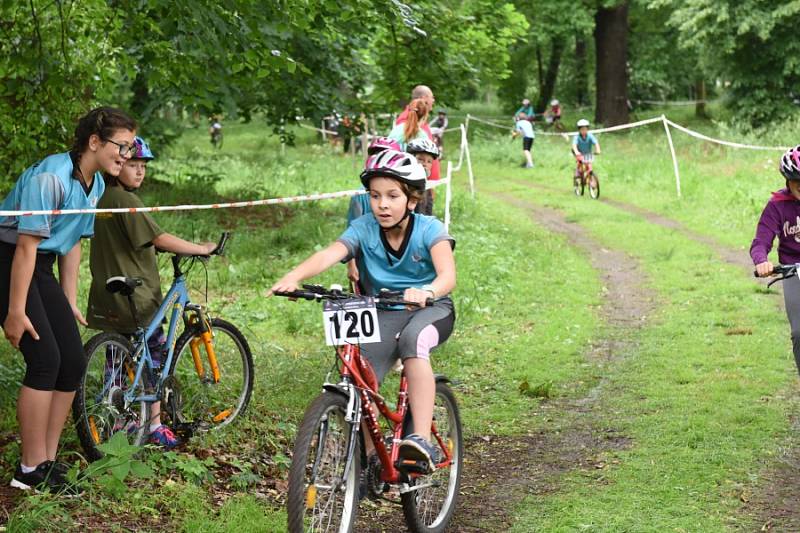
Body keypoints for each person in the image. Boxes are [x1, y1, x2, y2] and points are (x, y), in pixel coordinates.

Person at [269, 149, 456, 472]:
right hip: (383, 311)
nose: (382, 204)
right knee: (359, 372)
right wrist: (295, 276)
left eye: (392, 196)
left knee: (413, 342)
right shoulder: (363, 228)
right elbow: (331, 253)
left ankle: (421, 439)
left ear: (411, 200)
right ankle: (371, 459)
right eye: (375, 196)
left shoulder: (430, 229)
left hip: (431, 310)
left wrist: (427, 291)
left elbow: (447, 276)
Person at [0, 107, 137, 493]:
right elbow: (25, 248)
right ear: (94, 142)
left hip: (39, 264)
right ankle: (28, 469)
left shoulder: (94, 185)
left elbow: (72, 242)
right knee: (45, 360)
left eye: (130, 148)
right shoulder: (50, 178)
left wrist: (68, 299)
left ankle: (45, 462)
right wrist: (15, 312)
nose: (126, 156)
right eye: (121, 146)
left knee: (72, 362)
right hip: (9, 259)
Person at [86, 137, 217, 448]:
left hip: (108, 293)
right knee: (155, 355)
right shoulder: (124, 200)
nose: (140, 171)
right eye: (133, 165)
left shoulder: (103, 198)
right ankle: (155, 425)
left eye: (143, 166)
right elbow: (158, 237)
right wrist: (200, 249)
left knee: (117, 360)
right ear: (117, 167)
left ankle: (116, 421)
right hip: (138, 296)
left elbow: (127, 240)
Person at [752, 145, 800, 376]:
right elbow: (761, 241)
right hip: (794, 272)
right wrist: (762, 261)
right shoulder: (777, 206)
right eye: (797, 180)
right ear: (787, 180)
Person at [346, 137, 402, 286]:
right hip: (368, 260)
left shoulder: (405, 194)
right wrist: (351, 264)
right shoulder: (360, 196)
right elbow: (351, 232)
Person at [395, 85, 440, 182]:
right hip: (412, 181)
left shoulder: (419, 124)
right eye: (432, 97)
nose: (433, 100)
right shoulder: (407, 122)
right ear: (424, 98)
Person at [406, 137, 440, 215]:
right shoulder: (404, 184)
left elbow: (429, 211)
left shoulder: (427, 186)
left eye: (429, 161)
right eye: (421, 159)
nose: (425, 164)